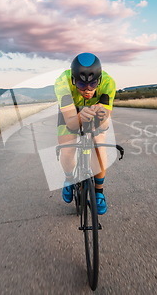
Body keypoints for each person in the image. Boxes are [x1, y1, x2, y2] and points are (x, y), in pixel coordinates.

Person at [54, 53, 116, 215]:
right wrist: (80, 116)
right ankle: (69, 178)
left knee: (99, 143)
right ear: (73, 80)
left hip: (96, 111)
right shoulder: (62, 82)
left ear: (100, 80)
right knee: (67, 148)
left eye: (93, 84)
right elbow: (71, 123)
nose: (87, 89)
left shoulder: (109, 83)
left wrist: (100, 118)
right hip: (71, 113)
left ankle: (99, 191)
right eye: (81, 84)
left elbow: (104, 123)